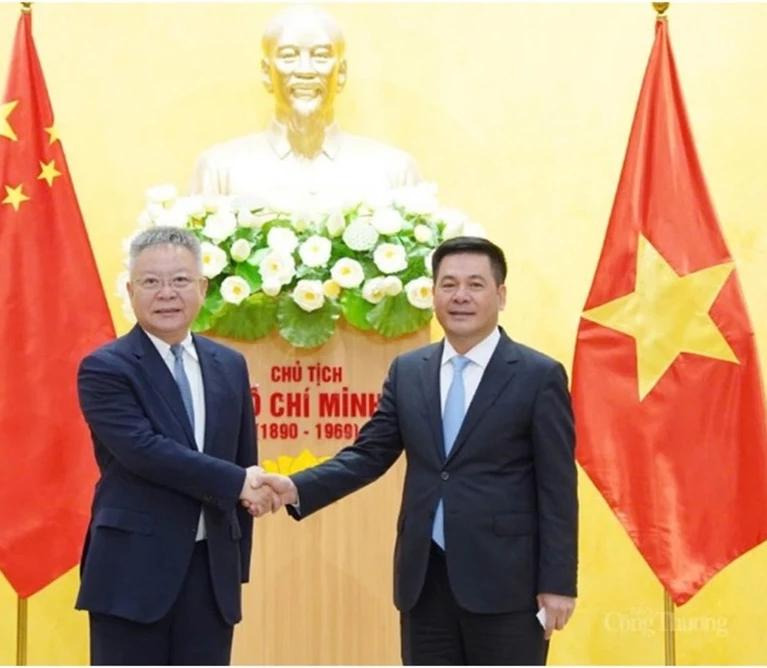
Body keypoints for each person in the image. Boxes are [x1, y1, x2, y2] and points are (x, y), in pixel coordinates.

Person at [251, 236, 578, 665]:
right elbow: (368, 454)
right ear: (433, 293)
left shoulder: (538, 375)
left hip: (507, 585)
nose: (460, 296)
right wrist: (295, 487)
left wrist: (558, 583)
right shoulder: (410, 371)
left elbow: (557, 488)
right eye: (449, 284)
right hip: (424, 581)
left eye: (475, 285)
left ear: (500, 295)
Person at [75, 227, 278, 665]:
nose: (167, 293)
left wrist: (236, 560)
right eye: (151, 281)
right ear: (130, 290)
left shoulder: (230, 365)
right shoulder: (105, 368)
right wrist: (240, 482)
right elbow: (144, 451)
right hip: (130, 574)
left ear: (202, 288)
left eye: (181, 280)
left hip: (211, 574)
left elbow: (244, 457)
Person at [188, 4, 422, 207]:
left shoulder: (394, 171)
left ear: (341, 73)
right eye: (288, 56)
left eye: (320, 56)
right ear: (266, 73)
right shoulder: (220, 169)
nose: (305, 70)